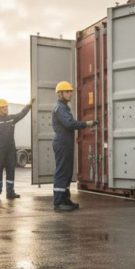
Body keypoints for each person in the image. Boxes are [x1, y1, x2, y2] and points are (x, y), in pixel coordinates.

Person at [53, 81, 95, 212]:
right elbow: (70, 124)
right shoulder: (60, 108)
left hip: (66, 141)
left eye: (71, 92)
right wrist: (86, 124)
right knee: (62, 171)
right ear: (60, 94)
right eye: (67, 92)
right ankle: (58, 202)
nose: (70, 94)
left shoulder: (64, 107)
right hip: (62, 142)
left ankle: (66, 199)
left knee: (67, 172)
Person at [0, 97, 34, 201]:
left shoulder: (11, 119)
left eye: (6, 107)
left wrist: (29, 105)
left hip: (10, 149)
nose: (6, 109)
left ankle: (10, 192)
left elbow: (21, 114)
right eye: (3, 107)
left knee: (11, 170)